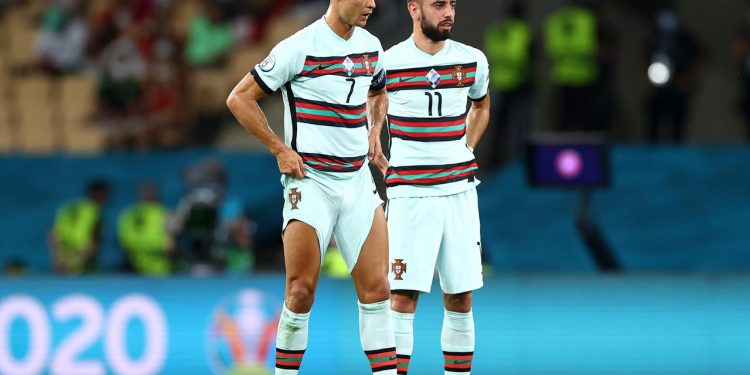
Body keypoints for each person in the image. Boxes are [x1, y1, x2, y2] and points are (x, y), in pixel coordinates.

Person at [226, 0, 396, 373]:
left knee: (379, 290)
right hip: (311, 182)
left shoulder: (371, 46)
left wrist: (374, 130)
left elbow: (379, 92)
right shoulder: (298, 47)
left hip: (356, 182)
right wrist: (279, 149)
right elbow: (239, 99)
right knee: (301, 292)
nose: (372, 3)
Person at [382, 1, 490, 374]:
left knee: (460, 298)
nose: (449, 12)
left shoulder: (473, 60)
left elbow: (481, 106)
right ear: (414, 8)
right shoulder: (389, 62)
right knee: (402, 297)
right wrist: (374, 151)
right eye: (438, 4)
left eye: (453, 4)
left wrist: (466, 148)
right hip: (410, 194)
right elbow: (371, 106)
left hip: (459, 193)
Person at [484, 1, 533, 169]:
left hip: (498, 81)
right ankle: (518, 161)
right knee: (520, 124)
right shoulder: (522, 30)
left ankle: (494, 161)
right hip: (518, 82)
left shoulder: (496, 30)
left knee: (498, 125)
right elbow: (525, 57)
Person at [643, 5, 702, 143]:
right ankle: (651, 158)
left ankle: (677, 160)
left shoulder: (685, 38)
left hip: (678, 88)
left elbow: (702, 56)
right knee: (653, 126)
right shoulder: (654, 37)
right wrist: (646, 80)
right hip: (657, 88)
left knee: (678, 129)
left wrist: (690, 78)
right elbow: (644, 57)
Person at [544, 0, 600, 132]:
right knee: (585, 122)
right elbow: (591, 48)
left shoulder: (554, 21)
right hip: (584, 76)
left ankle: (563, 149)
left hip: (562, 76)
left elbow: (551, 49)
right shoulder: (587, 19)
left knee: (564, 121)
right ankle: (584, 151)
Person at [49, 179, 111, 275]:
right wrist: (76, 263)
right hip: (84, 269)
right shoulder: (96, 213)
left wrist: (58, 259)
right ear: (101, 195)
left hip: (61, 265)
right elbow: (95, 243)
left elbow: (53, 234)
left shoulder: (67, 208)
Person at [117, 182, 174, 276]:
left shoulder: (166, 213)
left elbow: (172, 243)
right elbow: (126, 241)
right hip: (134, 268)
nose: (147, 193)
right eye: (145, 191)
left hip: (162, 270)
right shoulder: (130, 214)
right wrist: (160, 244)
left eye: (150, 191)